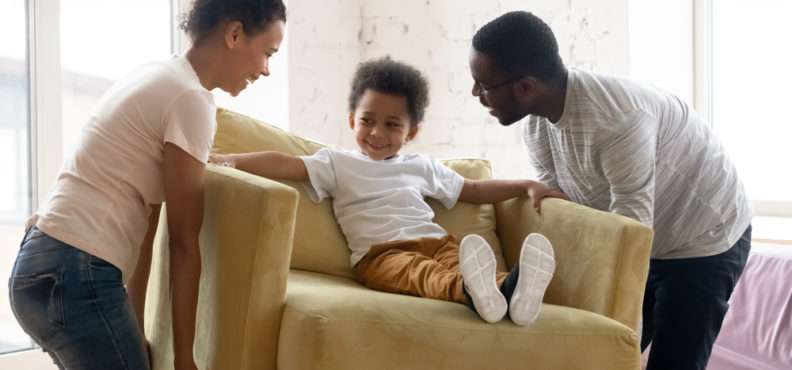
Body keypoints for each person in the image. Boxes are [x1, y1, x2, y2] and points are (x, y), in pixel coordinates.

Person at [8, 1, 286, 369]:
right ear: (234, 34)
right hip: (78, 271)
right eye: (267, 53)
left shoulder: (157, 73)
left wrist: (135, 324)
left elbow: (149, 221)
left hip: (36, 266)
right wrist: (185, 358)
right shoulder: (190, 99)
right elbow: (184, 242)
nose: (267, 70)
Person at [468, 10, 753, 369]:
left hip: (704, 238)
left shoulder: (617, 120)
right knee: (602, 354)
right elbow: (567, 213)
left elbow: (630, 236)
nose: (475, 93)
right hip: (646, 235)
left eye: (483, 84)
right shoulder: (536, 128)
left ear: (526, 86)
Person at [210, 57, 566, 325]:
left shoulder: (421, 166)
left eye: (392, 125)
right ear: (352, 120)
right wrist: (230, 160)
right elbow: (284, 163)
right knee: (422, 274)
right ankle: (474, 293)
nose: (377, 133)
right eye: (367, 121)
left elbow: (471, 189)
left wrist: (526, 184)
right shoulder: (337, 163)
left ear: (410, 133)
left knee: (456, 259)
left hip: (437, 241)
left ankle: (513, 291)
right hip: (380, 255)